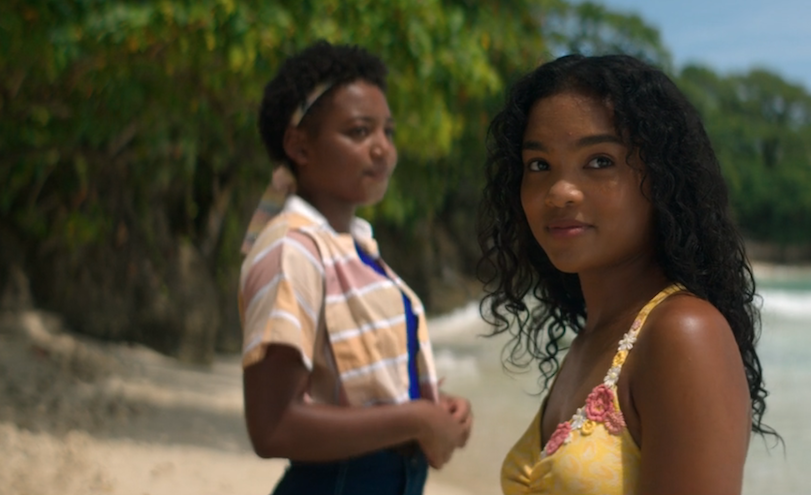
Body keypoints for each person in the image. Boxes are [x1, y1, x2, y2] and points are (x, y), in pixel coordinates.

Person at [480, 54, 779, 494]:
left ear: (661, 178)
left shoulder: (683, 333)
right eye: (539, 165)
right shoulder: (592, 339)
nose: (560, 192)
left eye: (600, 161)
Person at [238, 41, 471, 495]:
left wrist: (436, 408)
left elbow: (356, 389)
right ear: (299, 145)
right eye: (360, 132)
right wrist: (416, 419)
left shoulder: (355, 244)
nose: (383, 149)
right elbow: (272, 427)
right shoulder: (294, 249)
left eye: (388, 131)